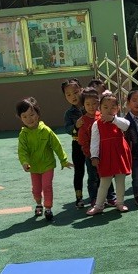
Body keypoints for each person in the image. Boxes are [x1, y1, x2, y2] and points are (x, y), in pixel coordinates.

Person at [16, 97, 72, 222]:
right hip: (34, 167)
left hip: (47, 165)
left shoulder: (46, 130)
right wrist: (24, 162)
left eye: (32, 115)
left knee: (47, 186)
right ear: (20, 118)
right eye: (24, 116)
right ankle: (38, 204)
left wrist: (63, 160)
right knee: (36, 189)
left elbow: (57, 146)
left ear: (38, 114)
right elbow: (22, 151)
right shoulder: (23, 135)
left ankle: (48, 208)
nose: (29, 119)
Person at [87, 91, 132, 215]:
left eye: (113, 107)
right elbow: (94, 141)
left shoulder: (119, 120)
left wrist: (113, 119)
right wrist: (94, 156)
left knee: (120, 180)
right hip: (105, 155)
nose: (109, 110)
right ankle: (98, 206)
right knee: (104, 181)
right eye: (105, 107)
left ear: (118, 108)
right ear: (100, 108)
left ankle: (120, 203)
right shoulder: (97, 124)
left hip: (120, 153)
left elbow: (126, 125)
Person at [76, 87, 116, 210]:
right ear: (83, 105)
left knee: (107, 175)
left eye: (94, 103)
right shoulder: (83, 121)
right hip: (91, 155)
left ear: (99, 103)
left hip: (105, 152)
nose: (91, 107)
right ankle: (94, 198)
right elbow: (82, 139)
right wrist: (89, 154)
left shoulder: (102, 116)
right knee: (93, 177)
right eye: (88, 104)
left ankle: (111, 197)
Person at [60, 78, 87, 207]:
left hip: (92, 143)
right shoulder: (69, 113)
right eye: (68, 95)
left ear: (82, 90)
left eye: (75, 92)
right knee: (79, 171)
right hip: (77, 144)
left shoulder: (90, 105)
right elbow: (67, 129)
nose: (73, 97)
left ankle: (100, 195)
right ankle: (79, 197)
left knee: (96, 169)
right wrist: (76, 126)